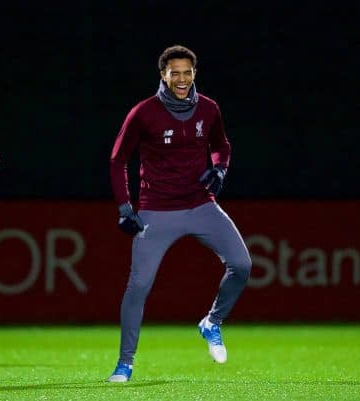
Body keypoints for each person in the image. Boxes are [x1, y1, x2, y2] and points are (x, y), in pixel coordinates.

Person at [108, 45, 252, 382]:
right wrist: (125, 207)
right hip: (156, 210)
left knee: (242, 265)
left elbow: (221, 146)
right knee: (138, 286)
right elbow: (117, 159)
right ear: (163, 75)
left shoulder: (209, 109)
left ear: (195, 74)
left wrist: (219, 170)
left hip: (201, 204)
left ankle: (212, 323)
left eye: (188, 72)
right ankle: (125, 363)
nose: (182, 79)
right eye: (176, 73)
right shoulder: (144, 113)